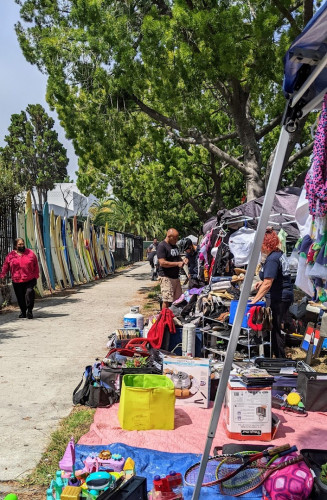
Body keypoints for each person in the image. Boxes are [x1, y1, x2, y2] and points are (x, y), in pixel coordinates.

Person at [249, 227, 293, 358]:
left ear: (265, 244)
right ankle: (277, 356)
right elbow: (276, 277)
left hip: (279, 297)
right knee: (275, 327)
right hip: (282, 295)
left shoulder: (272, 259)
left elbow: (269, 283)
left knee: (275, 329)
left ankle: (280, 359)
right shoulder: (277, 254)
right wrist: (262, 283)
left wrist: (255, 300)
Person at [0, 238, 39, 319]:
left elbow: (36, 265)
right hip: (17, 280)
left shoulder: (30, 253)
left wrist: (36, 275)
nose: (22, 246)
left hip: (30, 279)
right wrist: (2, 275)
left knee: (29, 292)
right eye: (19, 244)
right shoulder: (11, 255)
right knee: (20, 297)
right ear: (15, 246)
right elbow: (5, 266)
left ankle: (29, 310)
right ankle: (23, 312)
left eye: (22, 244)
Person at [157, 228, 185, 309]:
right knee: (167, 300)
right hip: (166, 277)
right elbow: (162, 262)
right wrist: (177, 263)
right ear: (169, 236)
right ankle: (164, 319)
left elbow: (177, 257)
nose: (176, 240)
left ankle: (174, 316)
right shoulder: (162, 246)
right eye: (175, 238)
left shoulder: (174, 245)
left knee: (178, 299)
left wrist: (183, 261)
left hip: (175, 277)